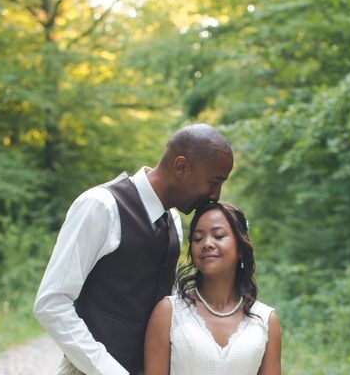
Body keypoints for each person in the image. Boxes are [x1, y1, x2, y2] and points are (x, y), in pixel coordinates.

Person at [34, 124, 234, 375]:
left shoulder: (172, 221)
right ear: (181, 167)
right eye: (214, 182)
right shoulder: (101, 206)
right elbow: (51, 303)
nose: (216, 195)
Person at [144, 201, 282, 375]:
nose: (207, 244)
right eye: (198, 238)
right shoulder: (169, 312)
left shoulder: (266, 320)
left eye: (218, 236)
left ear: (240, 248)